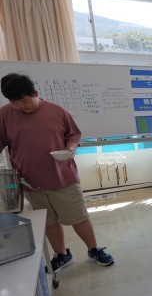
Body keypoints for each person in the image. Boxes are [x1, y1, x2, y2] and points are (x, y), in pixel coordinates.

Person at [0, 73, 114, 273]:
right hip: (30, 181)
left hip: (63, 177)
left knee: (78, 216)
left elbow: (74, 135)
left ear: (35, 93)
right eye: (14, 102)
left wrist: (70, 149)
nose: (19, 106)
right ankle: (62, 255)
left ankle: (94, 249)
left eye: (24, 101)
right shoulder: (4, 114)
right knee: (49, 221)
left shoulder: (56, 111)